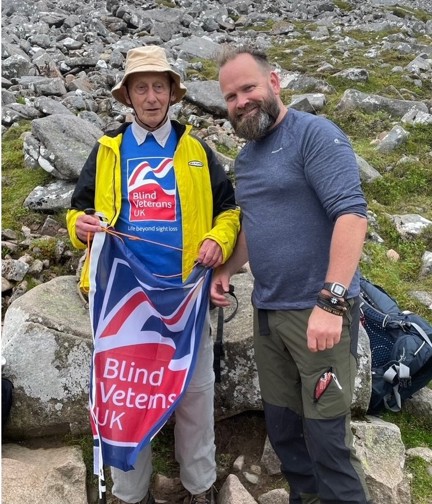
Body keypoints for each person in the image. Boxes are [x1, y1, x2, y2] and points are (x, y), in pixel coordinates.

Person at [67, 45, 240, 504]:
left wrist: (218, 242)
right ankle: (129, 493)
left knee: (196, 396)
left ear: (171, 93)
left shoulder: (197, 150)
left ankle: (199, 488)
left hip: (187, 297)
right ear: (127, 96)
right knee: (126, 399)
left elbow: (229, 211)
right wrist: (79, 227)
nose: (150, 97)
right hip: (126, 302)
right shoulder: (108, 150)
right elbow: (79, 210)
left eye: (158, 87)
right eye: (140, 87)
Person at [212, 46, 372, 504]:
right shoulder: (247, 159)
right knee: (284, 434)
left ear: (274, 83)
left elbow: (351, 216)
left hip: (318, 314)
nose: (241, 102)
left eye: (249, 88)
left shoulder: (315, 136)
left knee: (327, 443)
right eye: (230, 96)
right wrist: (227, 268)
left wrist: (331, 301)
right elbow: (254, 225)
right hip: (269, 313)